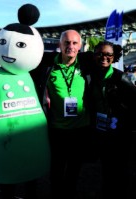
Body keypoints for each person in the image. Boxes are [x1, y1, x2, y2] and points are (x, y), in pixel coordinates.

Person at [30, 29, 93, 199]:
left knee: (74, 172)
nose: (70, 46)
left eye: (74, 43)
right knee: (56, 172)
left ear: (80, 46)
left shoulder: (87, 64)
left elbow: (108, 58)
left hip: (81, 129)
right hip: (57, 130)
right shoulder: (47, 66)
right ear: (59, 45)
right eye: (66, 43)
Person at [90, 41, 136, 199]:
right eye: (100, 54)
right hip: (102, 131)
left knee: (120, 169)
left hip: (120, 133)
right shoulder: (92, 77)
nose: (104, 57)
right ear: (94, 55)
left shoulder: (121, 77)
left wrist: (123, 117)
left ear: (114, 57)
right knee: (106, 167)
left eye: (109, 55)